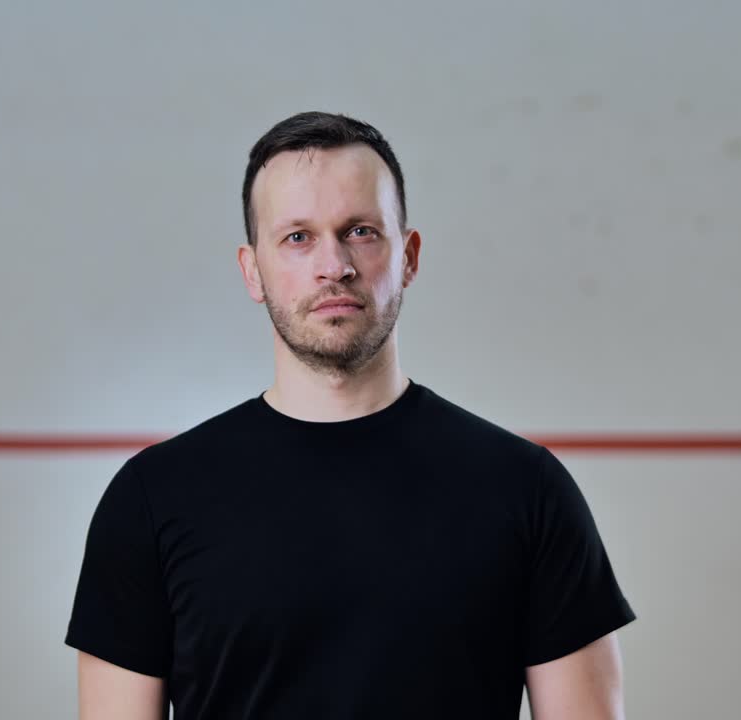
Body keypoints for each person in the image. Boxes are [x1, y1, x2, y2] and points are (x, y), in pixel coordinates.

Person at [64, 111, 637, 719]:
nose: (333, 264)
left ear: (408, 256)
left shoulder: (528, 489)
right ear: (253, 271)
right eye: (297, 237)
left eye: (360, 231)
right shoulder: (151, 499)